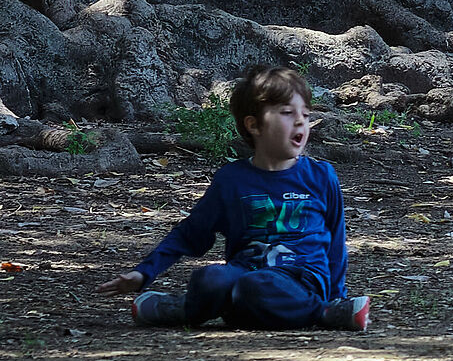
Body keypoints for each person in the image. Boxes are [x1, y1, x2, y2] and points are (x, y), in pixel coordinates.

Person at [100, 66, 366, 332]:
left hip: (299, 282)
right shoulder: (231, 180)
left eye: (305, 115)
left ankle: (324, 312)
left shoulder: (320, 176)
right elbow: (189, 233)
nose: (300, 122)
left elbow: (336, 241)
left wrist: (336, 297)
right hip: (243, 277)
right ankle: (186, 309)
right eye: (287, 113)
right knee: (211, 277)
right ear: (253, 125)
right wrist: (145, 272)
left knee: (257, 286)